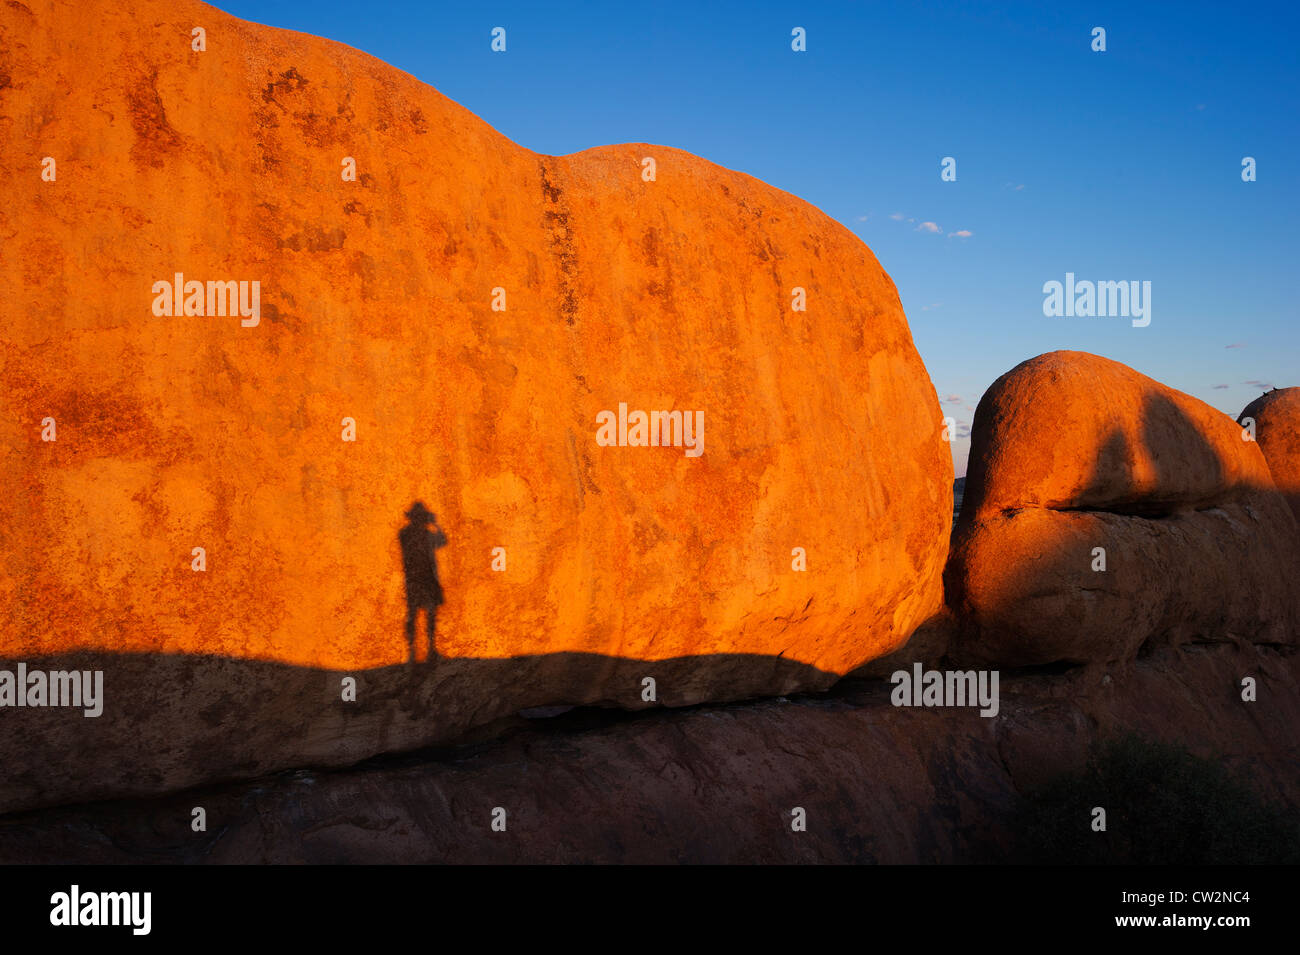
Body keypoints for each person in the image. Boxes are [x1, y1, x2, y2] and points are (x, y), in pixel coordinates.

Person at [398, 501, 446, 663]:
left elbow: (443, 541)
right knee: (417, 614)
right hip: (420, 578)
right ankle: (416, 651)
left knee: (425, 614)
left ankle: (425, 649)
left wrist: (434, 525)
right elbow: (442, 541)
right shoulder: (408, 534)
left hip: (421, 578)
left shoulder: (407, 533)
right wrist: (435, 524)